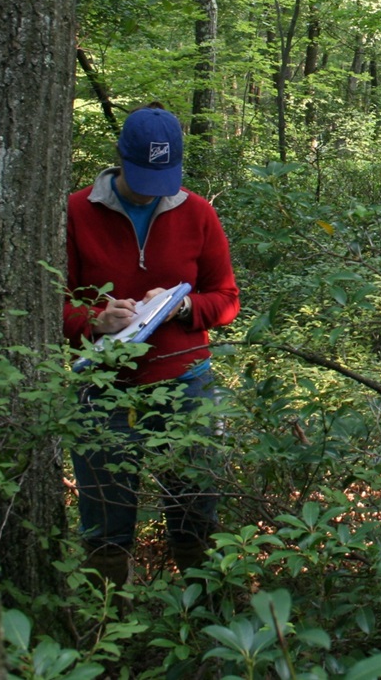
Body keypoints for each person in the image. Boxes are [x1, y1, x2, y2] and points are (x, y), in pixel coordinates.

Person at [65, 104, 240, 586]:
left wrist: (182, 309)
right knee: (105, 513)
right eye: (143, 174)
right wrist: (94, 320)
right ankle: (107, 622)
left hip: (184, 380)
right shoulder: (76, 212)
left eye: (163, 178)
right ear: (120, 159)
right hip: (102, 385)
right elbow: (49, 303)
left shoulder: (198, 213)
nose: (152, 189)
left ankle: (206, 612)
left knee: (195, 505)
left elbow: (226, 299)